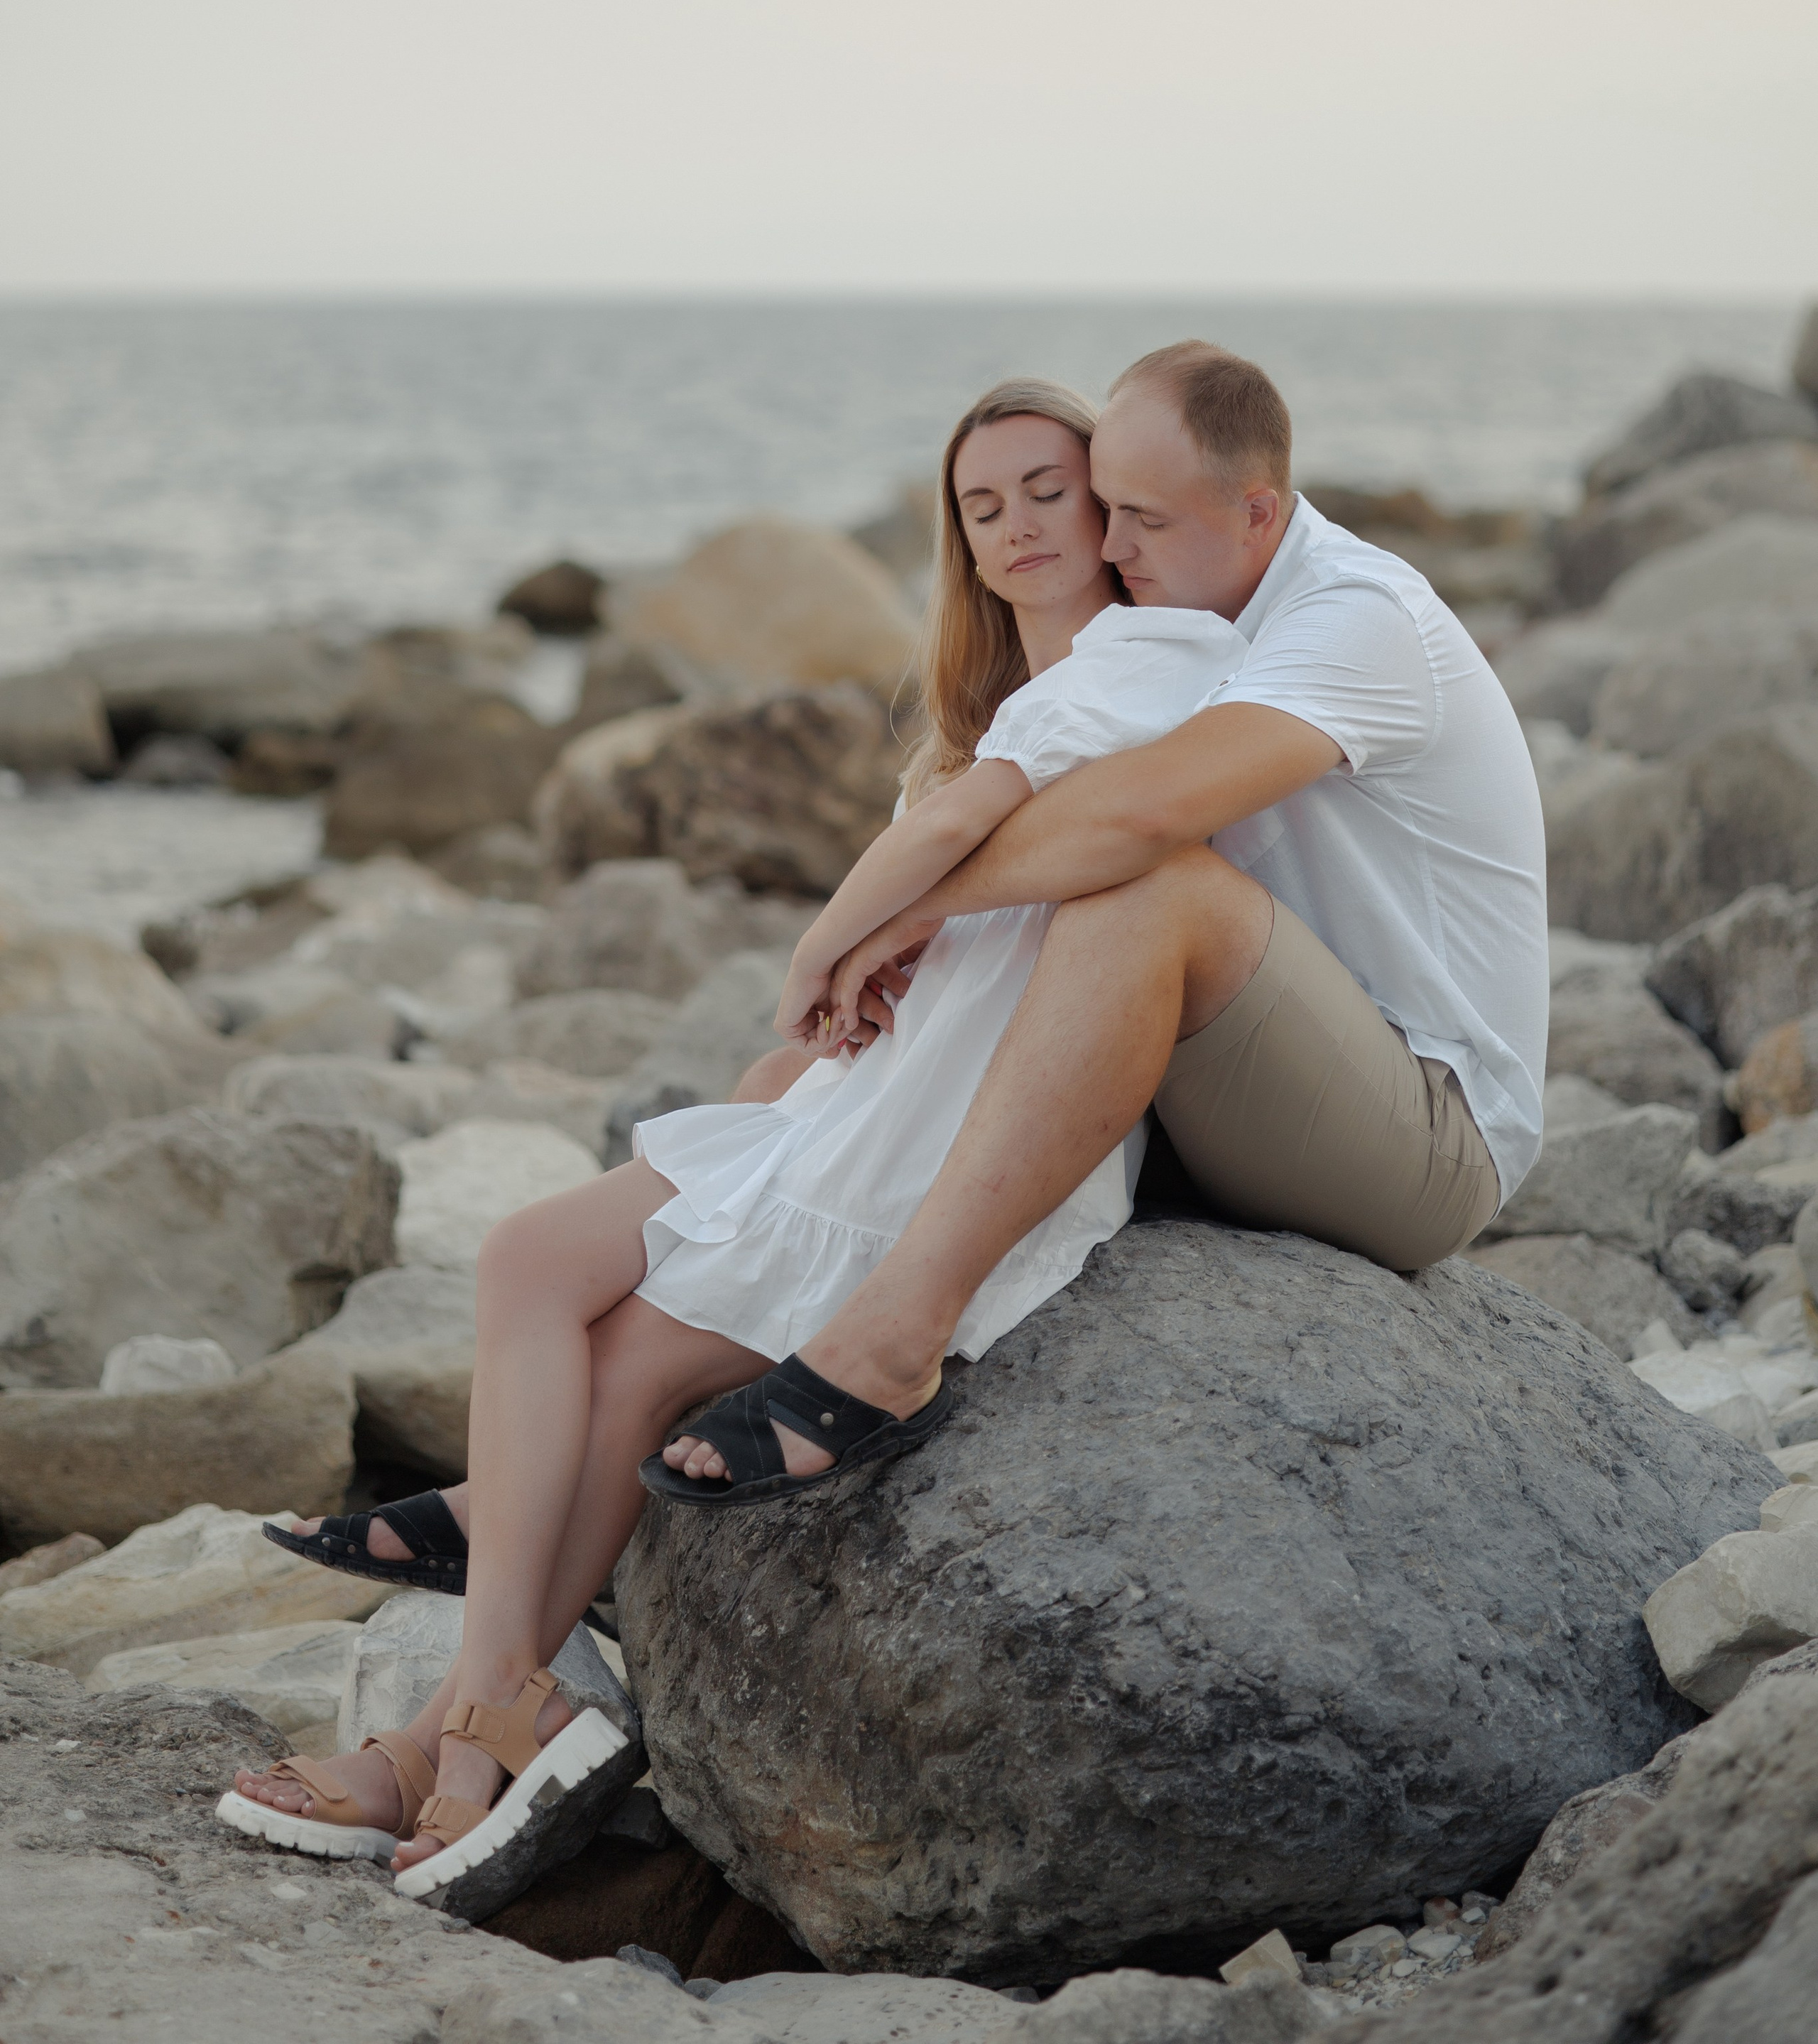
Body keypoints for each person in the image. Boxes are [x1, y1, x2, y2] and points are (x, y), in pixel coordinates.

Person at [216, 376, 1248, 1892]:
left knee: (622, 1358)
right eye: (981, 506)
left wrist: (832, 938)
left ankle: (458, 1725)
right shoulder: (983, 712)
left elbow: (972, 834)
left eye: (1047, 489)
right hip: (866, 1102)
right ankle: (485, 1706)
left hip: (961, 1129)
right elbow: (957, 861)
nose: (1017, 526)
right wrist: (819, 1021)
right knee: (526, 1263)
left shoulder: (1153, 653)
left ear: (1109, 510)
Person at [658, 339, 1548, 1497]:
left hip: (1428, 1133)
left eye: (1144, 520)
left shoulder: (1356, 617)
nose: (1111, 547)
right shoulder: (1192, 619)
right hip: (1248, 1086)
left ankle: (893, 1343)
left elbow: (1138, 818)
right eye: (1106, 509)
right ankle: (591, 1440)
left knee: (1152, 889)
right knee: (789, 1085)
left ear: (1257, 512)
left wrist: (900, 913)